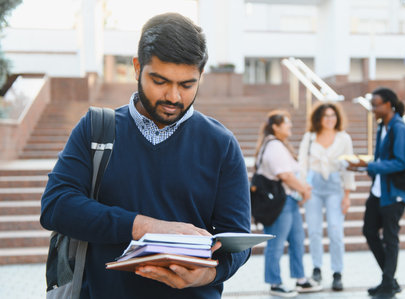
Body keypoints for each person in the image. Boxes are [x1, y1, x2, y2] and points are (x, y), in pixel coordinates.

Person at [40, 13, 251, 299]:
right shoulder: (95, 129)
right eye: (160, 81)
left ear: (201, 75)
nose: (173, 97)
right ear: (137, 67)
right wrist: (145, 227)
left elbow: (238, 239)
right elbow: (56, 206)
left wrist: (211, 273)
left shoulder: (221, 143)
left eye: (187, 85)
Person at [348, 87, 405, 299]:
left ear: (388, 104)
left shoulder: (399, 128)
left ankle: (387, 284)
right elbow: (381, 159)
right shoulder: (381, 127)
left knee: (390, 238)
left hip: (393, 193)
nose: (373, 108)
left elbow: (401, 162)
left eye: (376, 104)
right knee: (369, 231)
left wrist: (372, 166)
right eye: (372, 104)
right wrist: (363, 165)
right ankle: (390, 280)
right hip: (379, 191)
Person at [254, 110, 322, 297]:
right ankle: (275, 283)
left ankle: (301, 279)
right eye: (286, 123)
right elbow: (285, 175)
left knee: (297, 241)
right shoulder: (274, 146)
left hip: (288, 202)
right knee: (276, 245)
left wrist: (301, 190)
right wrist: (304, 189)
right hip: (279, 204)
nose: (290, 126)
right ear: (275, 127)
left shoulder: (279, 145)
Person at [298, 102, 356, 291]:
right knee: (314, 231)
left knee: (335, 230)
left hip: (334, 187)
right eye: (326, 116)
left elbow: (349, 167)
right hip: (313, 186)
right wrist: (304, 188)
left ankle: (337, 272)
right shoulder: (309, 137)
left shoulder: (344, 138)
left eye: (333, 115)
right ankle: (316, 268)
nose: (330, 119)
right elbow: (302, 164)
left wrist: (347, 195)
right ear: (319, 119)